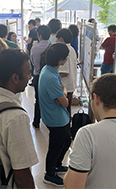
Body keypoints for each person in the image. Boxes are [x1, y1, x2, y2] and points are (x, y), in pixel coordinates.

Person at [0, 48, 39, 188]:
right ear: (15, 78)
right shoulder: (16, 117)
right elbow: (22, 174)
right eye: (27, 73)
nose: (29, 77)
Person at [39, 43, 71, 187]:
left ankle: (57, 165)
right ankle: (49, 174)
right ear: (61, 59)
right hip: (55, 119)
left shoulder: (49, 69)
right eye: (65, 57)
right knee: (55, 146)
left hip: (59, 117)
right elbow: (65, 103)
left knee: (66, 141)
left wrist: (62, 93)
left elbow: (62, 89)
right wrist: (63, 95)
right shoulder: (50, 77)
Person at [30, 25, 51, 129]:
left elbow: (32, 63)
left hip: (38, 76)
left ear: (40, 35)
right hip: (49, 76)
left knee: (38, 100)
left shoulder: (34, 48)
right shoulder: (52, 47)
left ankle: (36, 121)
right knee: (50, 99)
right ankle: (49, 121)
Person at [56, 28, 77, 120]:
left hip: (65, 85)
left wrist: (52, 74)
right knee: (67, 110)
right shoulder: (71, 49)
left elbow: (64, 72)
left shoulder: (64, 50)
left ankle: (66, 129)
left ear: (61, 39)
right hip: (70, 84)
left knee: (64, 111)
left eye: (57, 39)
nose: (56, 41)